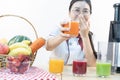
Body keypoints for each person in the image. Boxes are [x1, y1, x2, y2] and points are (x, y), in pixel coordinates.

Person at [45, 0, 97, 67]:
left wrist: (85, 37)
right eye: (77, 10)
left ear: (90, 15)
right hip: (57, 71)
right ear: (69, 13)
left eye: (85, 11)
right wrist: (62, 37)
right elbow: (48, 47)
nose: (81, 15)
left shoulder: (91, 36)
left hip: (78, 74)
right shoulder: (61, 27)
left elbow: (92, 64)